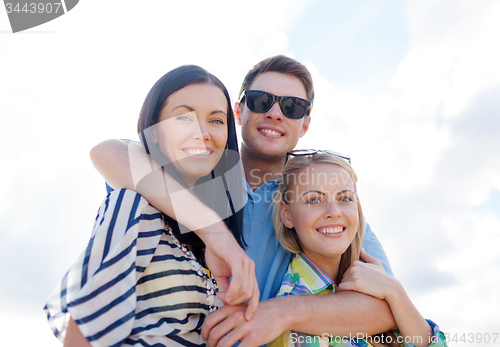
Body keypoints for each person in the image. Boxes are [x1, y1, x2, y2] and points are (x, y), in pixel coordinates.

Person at [91, 55, 397, 347]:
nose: (275, 113)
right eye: (261, 100)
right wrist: (214, 233)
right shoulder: (195, 170)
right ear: (238, 112)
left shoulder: (319, 202)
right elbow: (109, 152)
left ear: (305, 125)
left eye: (292, 106)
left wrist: (281, 312)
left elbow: (385, 309)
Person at [44, 65, 258, 347]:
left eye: (216, 121)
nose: (202, 132)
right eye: (183, 117)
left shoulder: (225, 225)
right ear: (154, 132)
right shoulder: (133, 207)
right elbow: (84, 333)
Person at [266, 150, 447, 347]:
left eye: (344, 198)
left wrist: (394, 291)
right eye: (314, 200)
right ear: (287, 214)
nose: (334, 212)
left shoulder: (377, 283)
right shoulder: (290, 317)